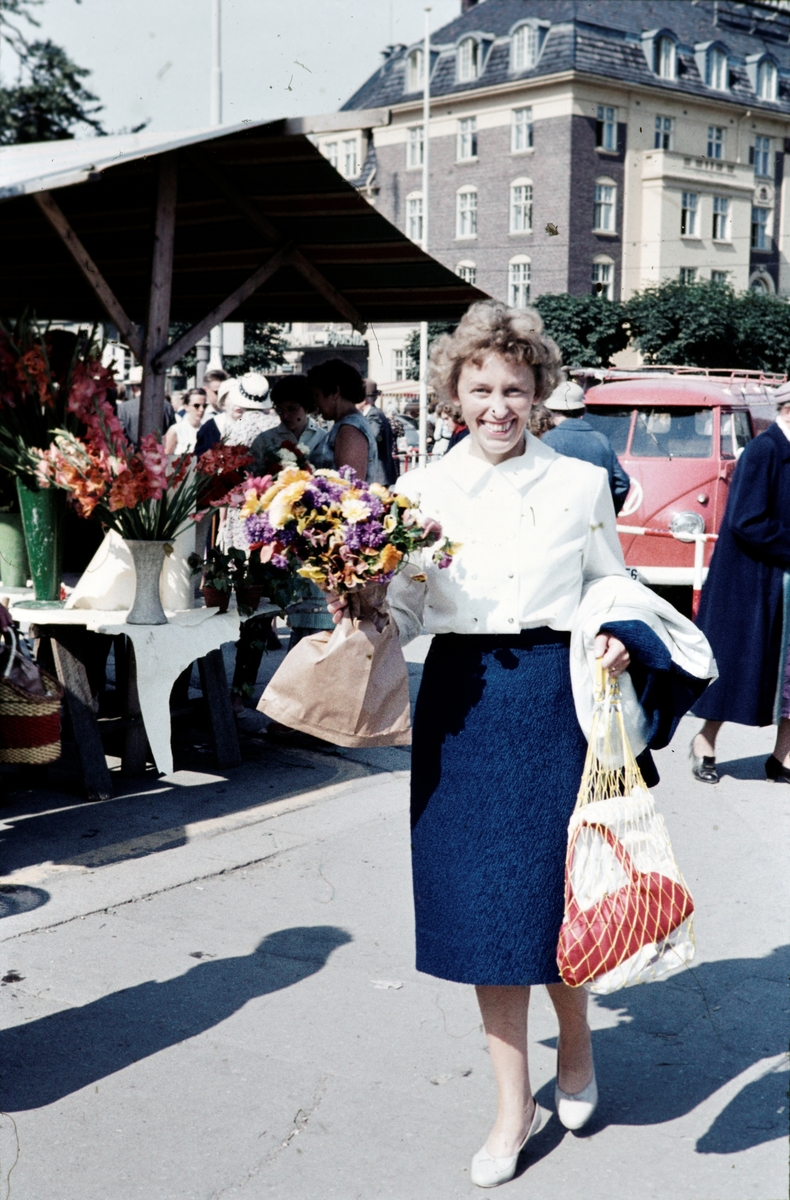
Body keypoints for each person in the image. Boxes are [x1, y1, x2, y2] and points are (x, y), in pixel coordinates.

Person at [326, 301, 714, 1189]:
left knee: (554, 896)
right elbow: (416, 610)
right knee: (482, 914)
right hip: (462, 706)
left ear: (539, 393)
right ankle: (514, 1104)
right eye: (480, 388)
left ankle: (574, 1046)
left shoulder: (578, 485)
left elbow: (611, 583)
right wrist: (369, 600)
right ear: (454, 394)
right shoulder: (418, 492)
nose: (497, 405)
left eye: (514, 387)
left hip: (553, 701)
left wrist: (618, 632)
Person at [691, 386, 790, 784]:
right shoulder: (765, 451)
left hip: (781, 579)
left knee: (789, 675)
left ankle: (782, 757)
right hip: (754, 584)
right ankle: (704, 742)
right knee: (737, 668)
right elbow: (746, 521)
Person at [542, 381, 631, 514]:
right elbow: (622, 482)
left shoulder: (548, 440)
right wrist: (606, 514)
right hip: (593, 522)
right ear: (581, 411)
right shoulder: (601, 439)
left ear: (554, 411)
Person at [307, 358, 380, 483]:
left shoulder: (350, 431)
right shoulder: (346, 425)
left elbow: (351, 487)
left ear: (335, 392)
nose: (315, 403)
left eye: (316, 395)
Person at [251, 374, 325, 470]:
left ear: (307, 407)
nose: (285, 416)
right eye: (280, 410)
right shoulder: (264, 440)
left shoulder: (324, 438)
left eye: (292, 409)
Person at [356, 379, 399, 485]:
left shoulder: (373, 415)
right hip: (379, 475)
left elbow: (371, 438)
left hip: (378, 475)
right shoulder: (374, 413)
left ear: (364, 399)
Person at [163, 389, 205, 454]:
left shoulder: (206, 430)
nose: (202, 409)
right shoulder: (175, 430)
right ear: (186, 407)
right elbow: (165, 457)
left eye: (204, 406)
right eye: (196, 406)